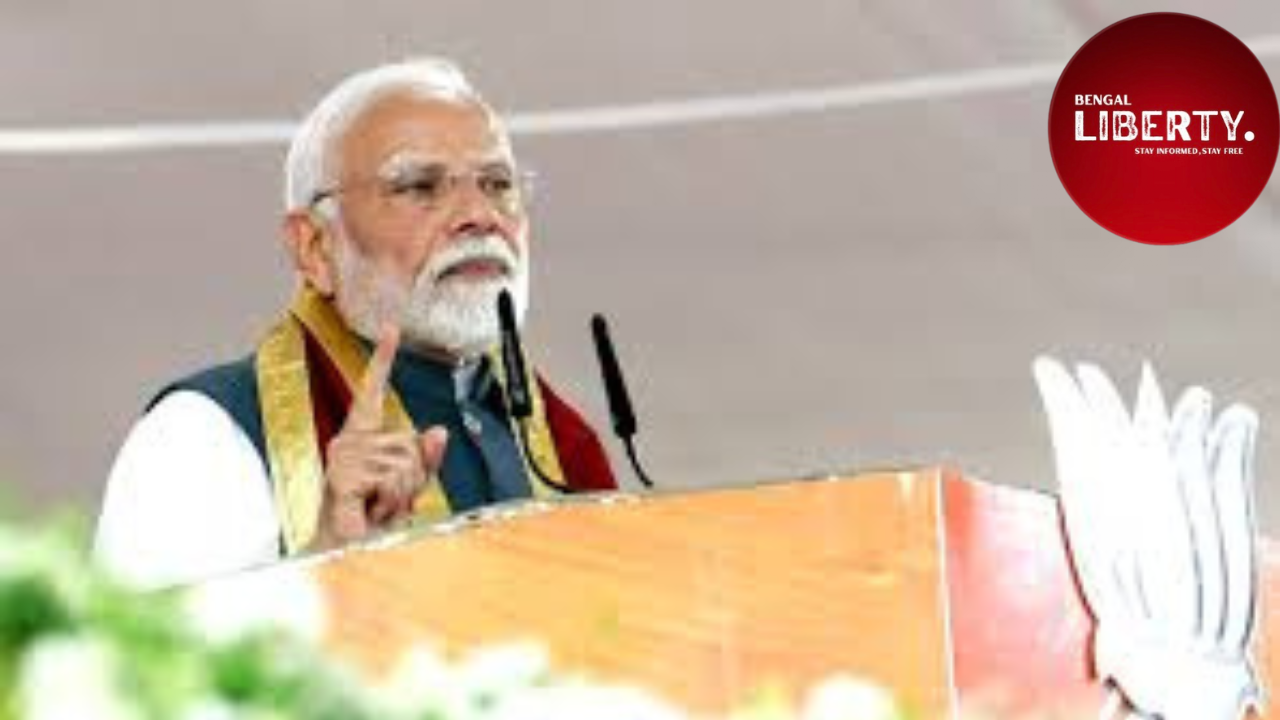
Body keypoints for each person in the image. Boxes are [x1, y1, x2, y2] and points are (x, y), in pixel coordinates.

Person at [95, 58, 617, 589]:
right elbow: (140, 662)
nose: (480, 215)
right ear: (316, 247)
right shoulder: (202, 437)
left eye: (498, 183)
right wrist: (325, 557)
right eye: (420, 186)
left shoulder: (560, 442)